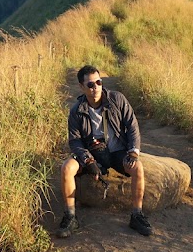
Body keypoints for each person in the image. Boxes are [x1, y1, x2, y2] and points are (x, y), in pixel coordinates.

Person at [58, 65, 152, 237]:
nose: (96, 88)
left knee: (137, 167)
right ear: (81, 87)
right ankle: (70, 217)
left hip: (117, 151)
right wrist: (88, 160)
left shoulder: (117, 99)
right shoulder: (76, 111)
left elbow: (132, 127)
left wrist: (133, 152)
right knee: (67, 167)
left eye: (99, 82)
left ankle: (137, 215)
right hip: (92, 153)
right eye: (90, 85)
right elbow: (75, 141)